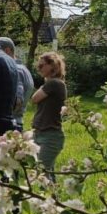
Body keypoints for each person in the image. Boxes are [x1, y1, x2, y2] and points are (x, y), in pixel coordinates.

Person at [31, 52, 68, 180]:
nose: (39, 68)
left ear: (53, 65)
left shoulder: (53, 84)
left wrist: (44, 84)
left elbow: (34, 98)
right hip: (43, 133)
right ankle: (52, 199)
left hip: (50, 135)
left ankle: (46, 199)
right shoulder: (54, 83)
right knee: (47, 174)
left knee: (41, 174)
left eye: (42, 65)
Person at [0, 37, 34, 131]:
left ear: (7, 51)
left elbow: (17, 101)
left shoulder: (15, 70)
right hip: (16, 123)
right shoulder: (23, 69)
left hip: (10, 126)